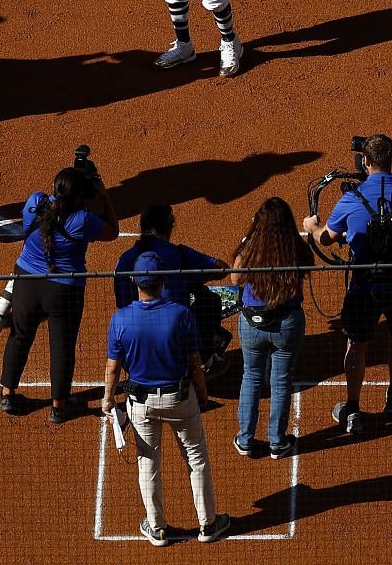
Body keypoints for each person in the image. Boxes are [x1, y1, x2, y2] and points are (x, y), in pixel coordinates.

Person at [300, 133, 392, 435]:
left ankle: (353, 408)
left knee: (356, 344)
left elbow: (325, 238)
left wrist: (312, 226)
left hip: (364, 286)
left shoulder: (350, 199)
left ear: (366, 161)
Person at [102, 252, 231, 548]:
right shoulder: (180, 314)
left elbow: (113, 366)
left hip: (141, 405)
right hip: (181, 398)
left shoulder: (121, 318)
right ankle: (208, 524)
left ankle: (158, 529)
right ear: (162, 281)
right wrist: (202, 392)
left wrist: (108, 399)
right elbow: (195, 361)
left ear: (134, 280)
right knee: (196, 459)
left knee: (148, 462)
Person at [0, 164, 118, 420]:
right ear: (80, 195)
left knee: (19, 336)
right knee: (62, 347)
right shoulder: (83, 220)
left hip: (26, 282)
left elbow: (46, 213)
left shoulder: (35, 201)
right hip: (64, 291)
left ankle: (7, 395)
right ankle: (59, 408)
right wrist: (104, 195)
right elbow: (113, 231)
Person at [228, 196, 309, 459]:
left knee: (251, 376)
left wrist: (247, 237)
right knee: (281, 382)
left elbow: (235, 279)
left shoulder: (251, 247)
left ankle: (246, 439)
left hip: (253, 324)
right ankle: (277, 441)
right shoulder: (294, 246)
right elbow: (307, 270)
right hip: (287, 324)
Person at [113, 204, 230, 372]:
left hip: (132, 349)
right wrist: (192, 279)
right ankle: (205, 359)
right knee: (208, 299)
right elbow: (221, 269)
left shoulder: (124, 259)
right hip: (174, 344)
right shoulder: (179, 254)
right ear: (169, 227)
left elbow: (121, 301)